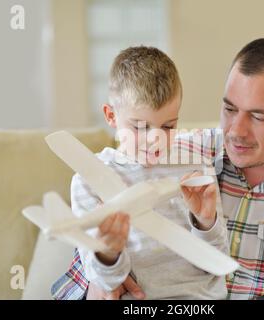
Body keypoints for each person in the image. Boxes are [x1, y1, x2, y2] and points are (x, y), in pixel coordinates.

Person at [53, 38, 264, 300]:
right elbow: (91, 254)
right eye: (229, 109)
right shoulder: (180, 153)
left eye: (258, 116)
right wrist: (99, 282)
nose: (236, 131)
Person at [51, 46, 230, 300]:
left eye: (168, 126)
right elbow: (104, 282)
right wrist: (108, 253)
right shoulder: (89, 179)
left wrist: (205, 222)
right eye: (140, 127)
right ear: (111, 116)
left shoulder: (196, 168)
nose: (154, 140)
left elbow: (216, 263)